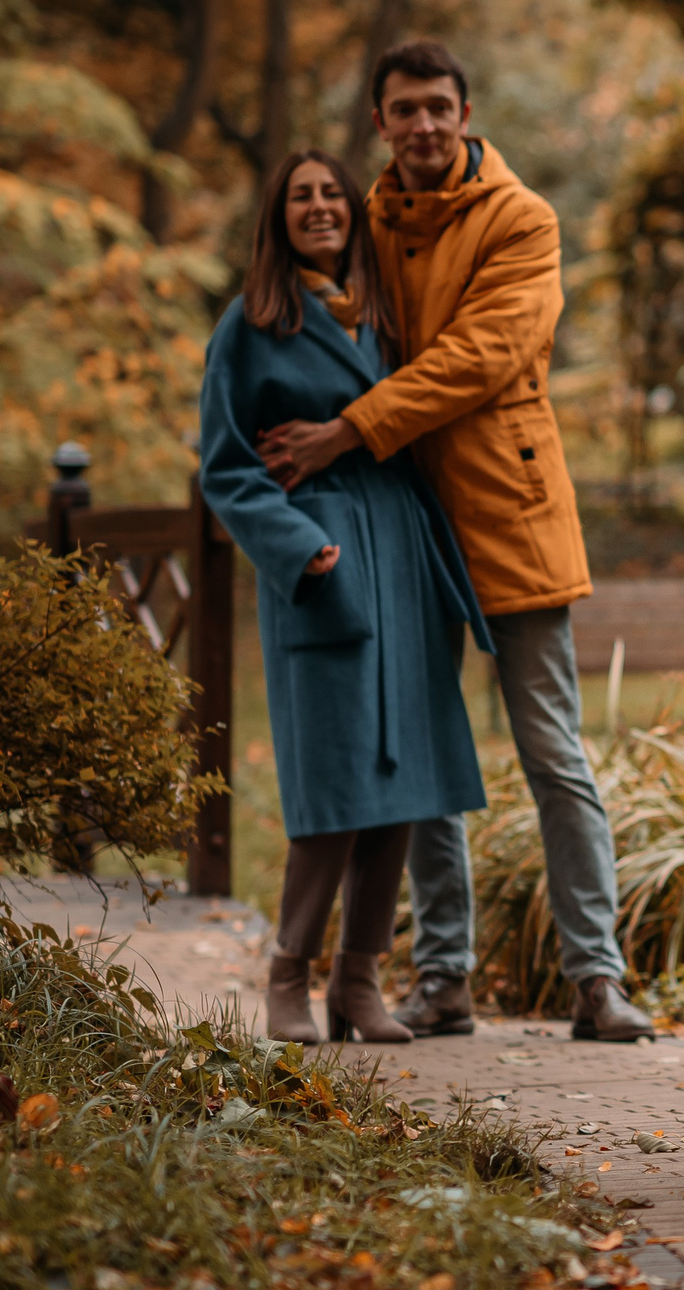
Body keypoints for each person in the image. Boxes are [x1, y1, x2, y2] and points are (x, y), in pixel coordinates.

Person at [253, 42, 652, 1042]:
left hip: (509, 508)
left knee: (550, 747)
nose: (424, 125)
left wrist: (349, 429)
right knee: (424, 756)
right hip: (403, 524)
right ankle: (443, 975)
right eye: (405, 110)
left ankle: (596, 978)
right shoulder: (363, 223)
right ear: (380, 122)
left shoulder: (522, 220)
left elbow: (482, 357)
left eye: (440, 107)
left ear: (466, 113)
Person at [199, 151, 497, 1046]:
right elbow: (225, 466)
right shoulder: (250, 325)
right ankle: (287, 973)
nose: (322, 207)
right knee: (332, 785)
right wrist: (300, 548)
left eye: (333, 194)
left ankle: (357, 985)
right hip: (322, 557)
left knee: (403, 781)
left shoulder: (380, 319)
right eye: (303, 197)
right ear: (277, 218)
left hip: (400, 550)